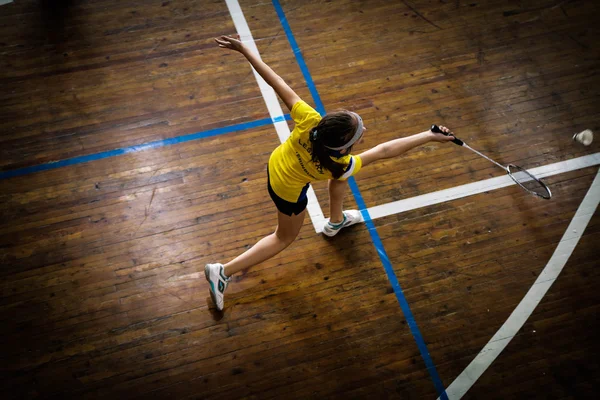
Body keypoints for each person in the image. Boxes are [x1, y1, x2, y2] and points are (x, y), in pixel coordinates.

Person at [205, 35, 455, 310]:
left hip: (275, 164)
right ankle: (223, 272)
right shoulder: (340, 163)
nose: (365, 132)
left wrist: (244, 50)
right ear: (345, 145)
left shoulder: (309, 120)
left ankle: (335, 222)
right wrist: (428, 136)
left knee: (341, 180)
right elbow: (384, 151)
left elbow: (277, 82)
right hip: (286, 192)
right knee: (284, 237)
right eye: (360, 132)